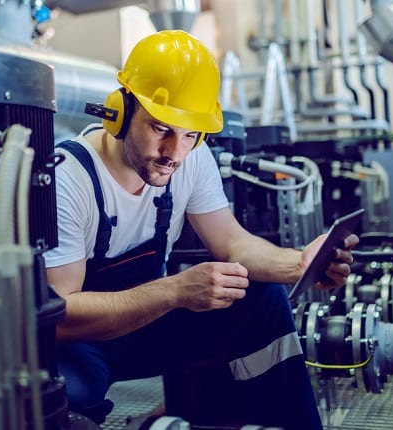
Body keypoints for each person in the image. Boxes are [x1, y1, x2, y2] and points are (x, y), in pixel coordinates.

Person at [44, 30, 358, 429]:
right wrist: (175, 291)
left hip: (146, 325)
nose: (175, 153)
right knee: (65, 400)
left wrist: (298, 264)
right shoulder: (69, 180)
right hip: (82, 343)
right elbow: (63, 315)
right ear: (120, 113)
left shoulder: (191, 157)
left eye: (191, 134)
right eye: (161, 129)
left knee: (261, 298)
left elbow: (231, 242)